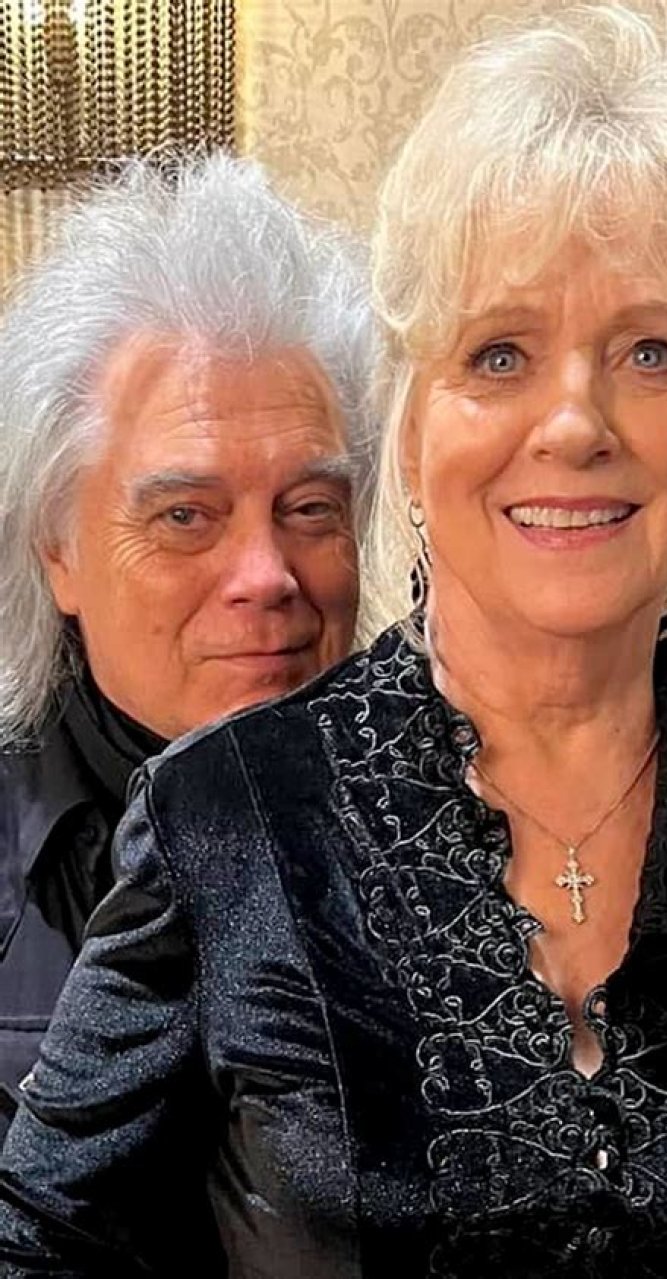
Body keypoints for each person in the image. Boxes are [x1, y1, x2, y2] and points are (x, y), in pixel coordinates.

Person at [1, 4, 667, 1275]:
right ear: (415, 427)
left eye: (652, 349)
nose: (576, 421)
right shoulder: (226, 818)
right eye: (500, 352)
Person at [0, 153, 374, 1144]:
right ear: (57, 548)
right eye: (184, 515)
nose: (266, 574)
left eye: (310, 507)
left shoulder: (467, 832)